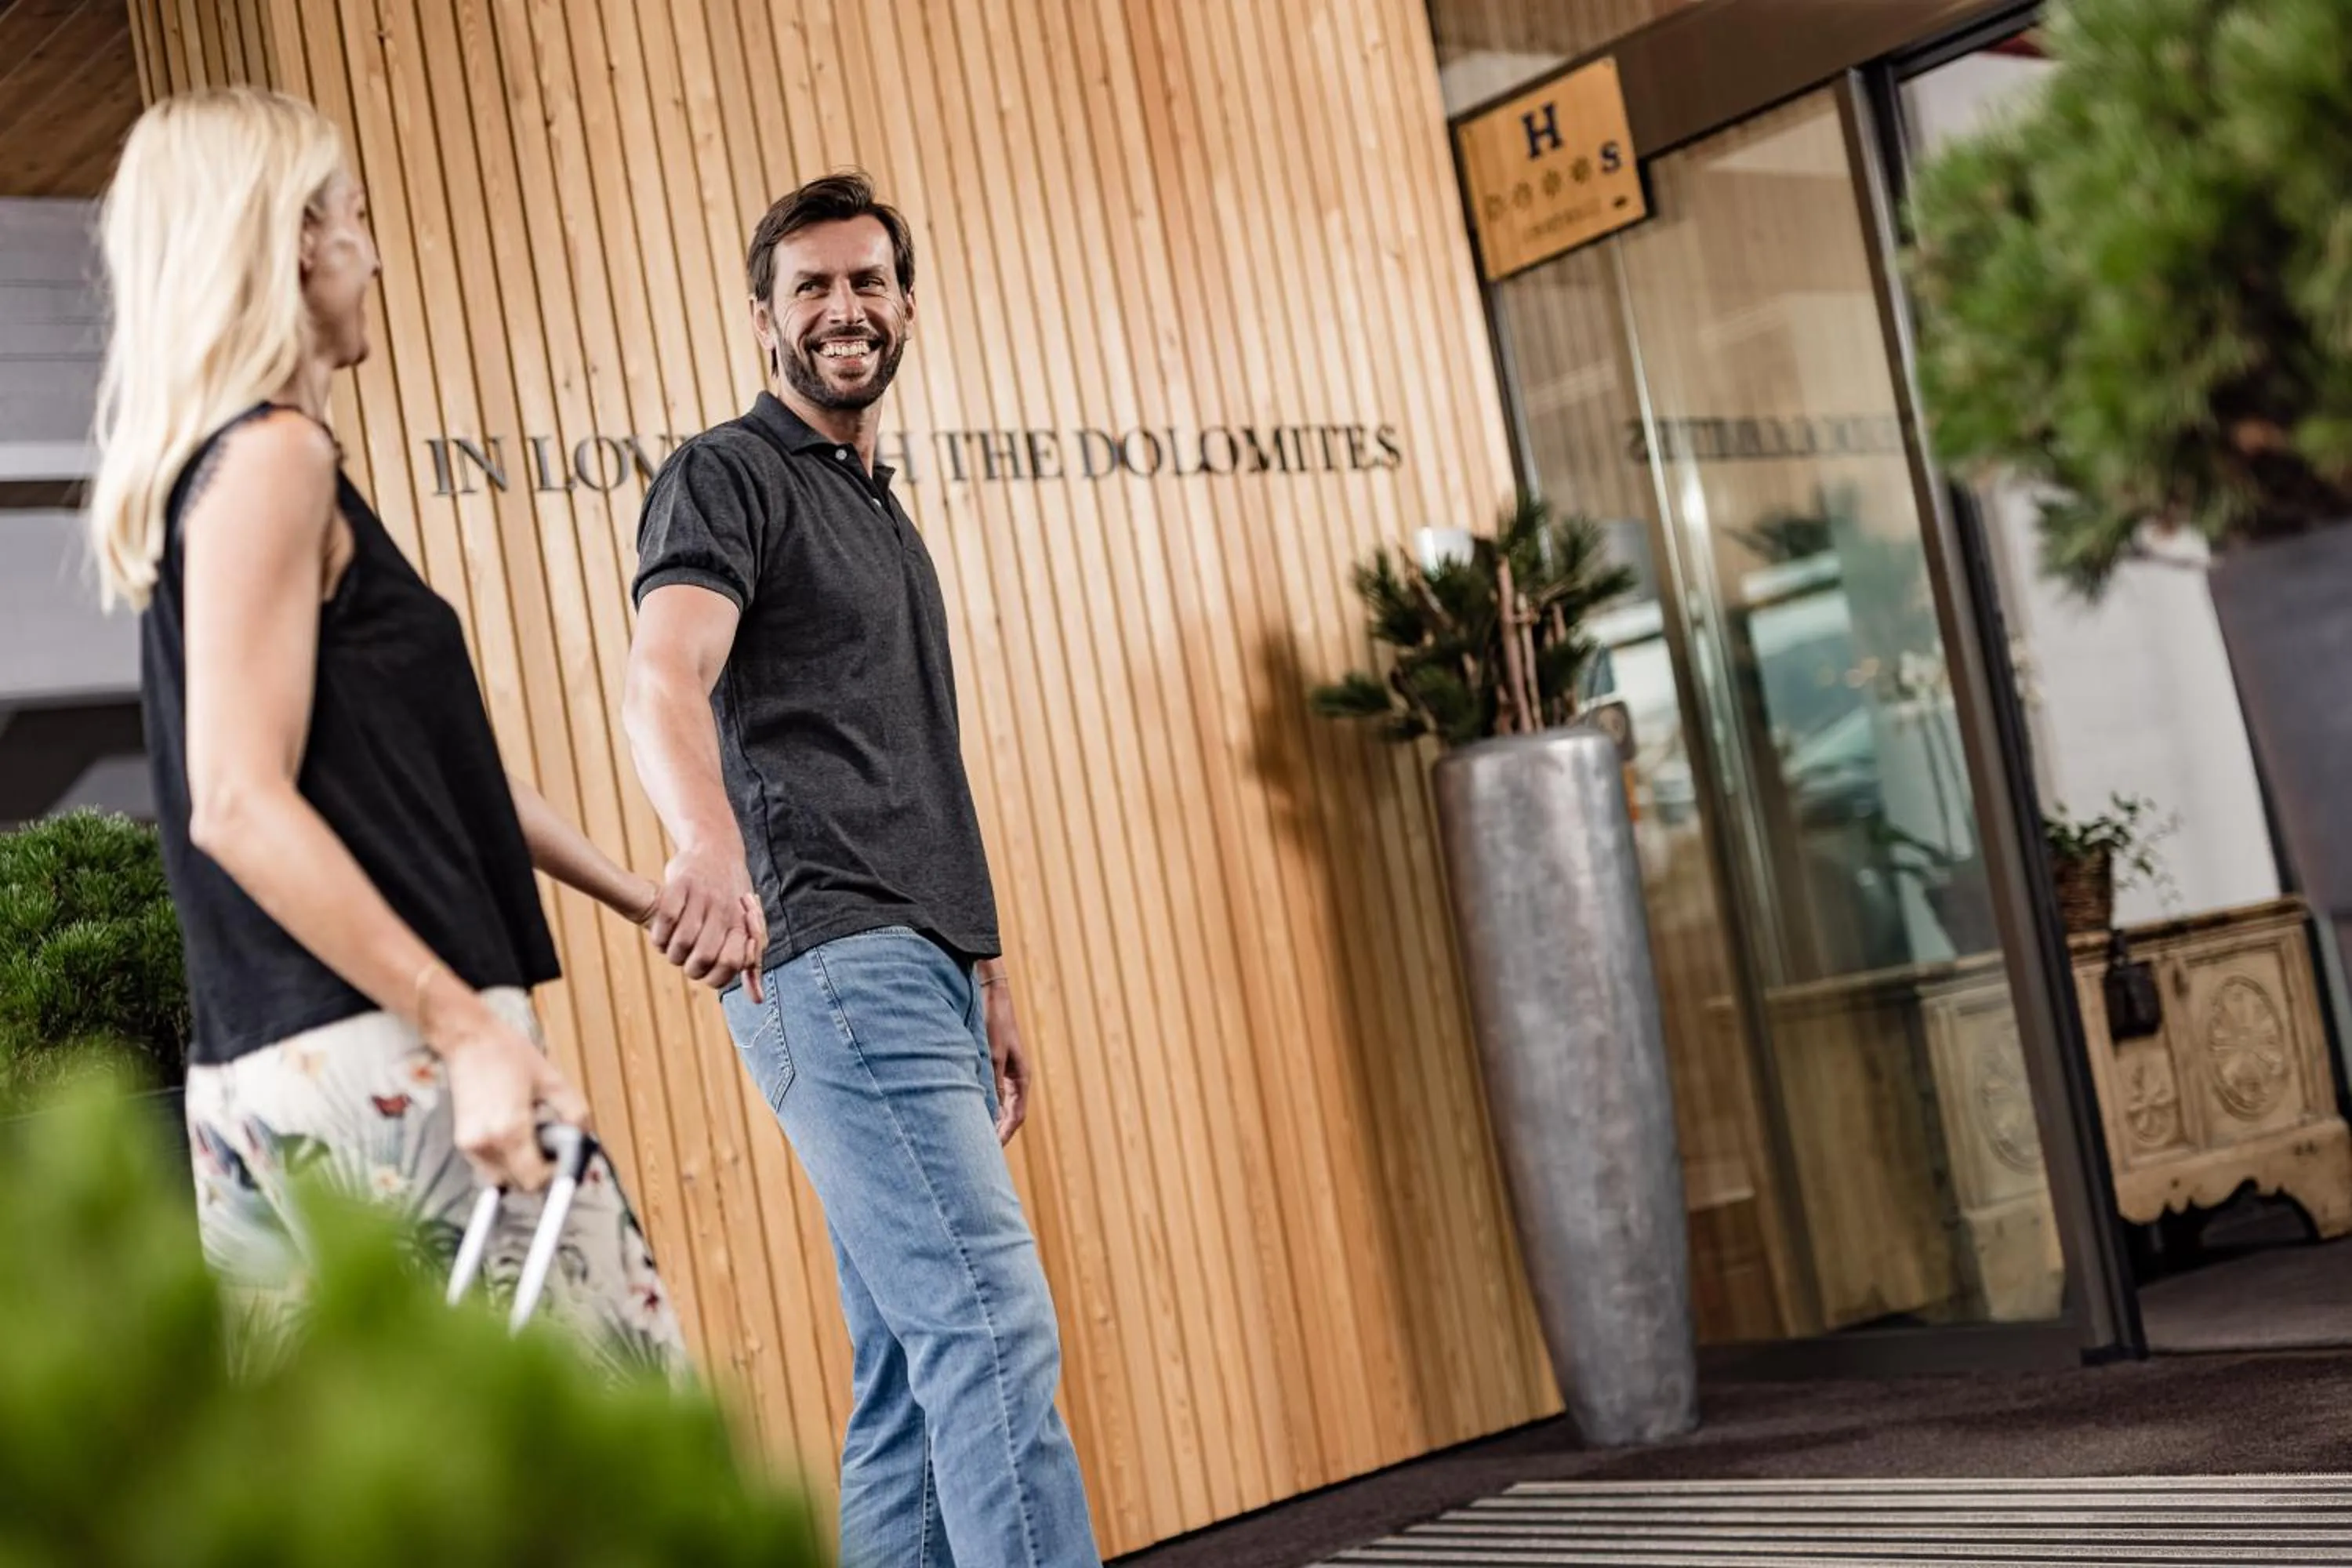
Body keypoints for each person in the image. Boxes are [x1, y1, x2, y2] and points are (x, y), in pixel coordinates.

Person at [89, 85, 688, 1376]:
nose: (375, 248)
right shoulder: (276, 460)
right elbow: (237, 804)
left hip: (283, 1071)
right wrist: (467, 1030)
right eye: (356, 214)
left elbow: (438, 782)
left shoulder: (229, 477)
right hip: (393, 1052)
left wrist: (636, 896)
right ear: (298, 240)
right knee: (619, 1461)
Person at [624, 172, 1101, 1566]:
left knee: (909, 1372)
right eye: (813, 287)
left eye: (869, 282)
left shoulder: (875, 508)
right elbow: (663, 676)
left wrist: (987, 966)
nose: (846, 309)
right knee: (993, 1329)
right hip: (832, 958)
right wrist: (707, 844)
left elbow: (914, 767)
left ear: (905, 303)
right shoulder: (727, 475)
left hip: (922, 965)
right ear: (764, 316)